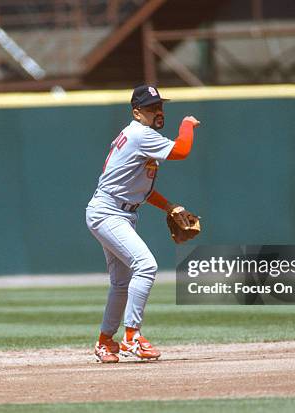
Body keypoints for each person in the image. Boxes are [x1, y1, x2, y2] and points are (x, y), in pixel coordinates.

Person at [85, 84, 200, 363]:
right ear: (137, 112)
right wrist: (187, 124)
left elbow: (142, 191)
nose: (158, 112)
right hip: (108, 212)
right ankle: (131, 338)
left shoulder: (140, 136)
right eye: (150, 108)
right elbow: (182, 150)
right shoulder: (140, 134)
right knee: (146, 266)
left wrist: (170, 206)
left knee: (121, 282)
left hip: (118, 211)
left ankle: (105, 342)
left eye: (160, 106)